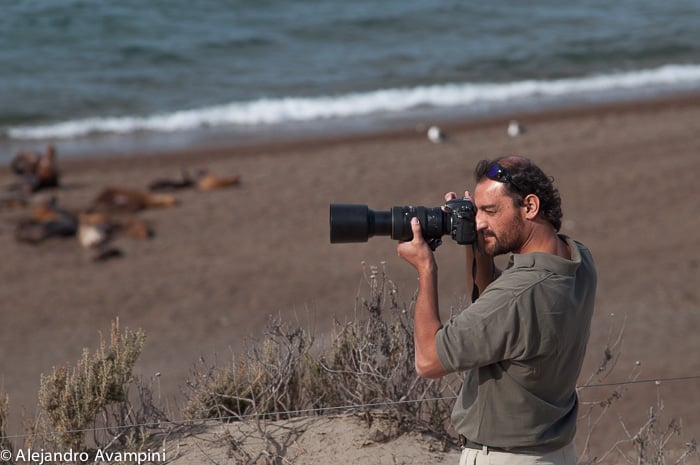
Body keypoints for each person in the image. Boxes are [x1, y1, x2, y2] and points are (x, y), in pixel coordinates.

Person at [397, 156, 597, 465]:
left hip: (505, 457)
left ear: (529, 207)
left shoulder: (517, 296)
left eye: (490, 211)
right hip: (557, 453)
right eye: (476, 212)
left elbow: (428, 361)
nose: (479, 222)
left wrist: (425, 269)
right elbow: (497, 310)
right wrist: (475, 243)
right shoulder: (577, 259)